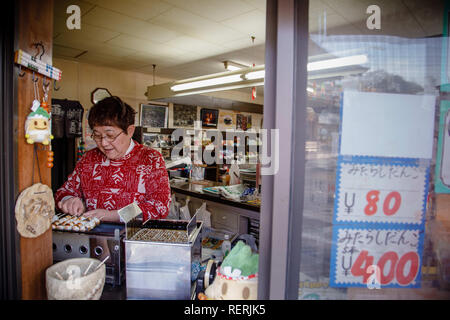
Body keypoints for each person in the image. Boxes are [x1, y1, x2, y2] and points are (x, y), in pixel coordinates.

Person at [54, 96, 171, 223]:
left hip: (134, 239)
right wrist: (69, 200)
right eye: (97, 136)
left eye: (110, 135)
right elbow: (64, 192)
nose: (103, 143)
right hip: (94, 238)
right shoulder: (88, 159)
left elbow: (159, 206)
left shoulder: (150, 159)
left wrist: (116, 215)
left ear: (130, 131)